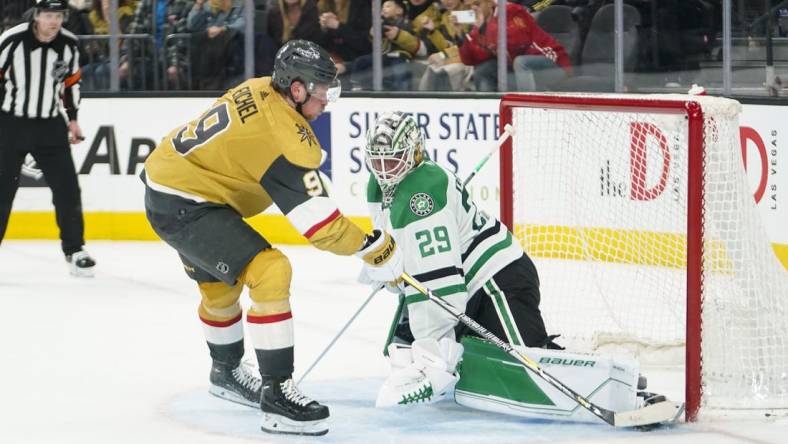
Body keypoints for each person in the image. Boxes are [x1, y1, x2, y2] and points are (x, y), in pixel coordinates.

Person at [141, 40, 402, 436]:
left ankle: (225, 373)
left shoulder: (262, 87)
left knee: (219, 288)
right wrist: (374, 248)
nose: (327, 102)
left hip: (174, 185)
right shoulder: (284, 139)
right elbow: (323, 230)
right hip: (188, 203)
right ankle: (277, 395)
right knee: (271, 271)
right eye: (321, 92)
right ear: (295, 90)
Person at [361, 112, 663, 420]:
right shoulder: (378, 186)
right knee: (417, 348)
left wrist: (433, 352)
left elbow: (438, 281)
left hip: (496, 278)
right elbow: (401, 256)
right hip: (466, 281)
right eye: (378, 161)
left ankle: (623, 387)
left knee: (529, 361)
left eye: (394, 159)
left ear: (414, 151)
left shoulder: (422, 194)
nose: (385, 170)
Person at [0, 0, 96, 278]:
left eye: (58, 16)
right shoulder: (12, 40)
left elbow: (71, 82)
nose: (53, 21)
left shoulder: (68, 43)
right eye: (48, 15)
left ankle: (75, 250)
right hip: (10, 124)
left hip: (50, 126)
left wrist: (74, 119)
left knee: (68, 190)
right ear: (37, 16)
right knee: (3, 193)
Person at [458, 0, 571, 91]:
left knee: (521, 62)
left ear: (490, 2)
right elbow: (471, 59)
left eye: (477, 4)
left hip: (555, 65)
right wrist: (459, 37)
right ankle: (491, 110)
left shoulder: (511, 10)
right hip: (520, 70)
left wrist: (484, 28)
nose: (474, 9)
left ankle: (525, 110)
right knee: (484, 70)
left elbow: (518, 41)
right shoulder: (480, 26)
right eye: (469, 6)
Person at [186, 0, 246, 89]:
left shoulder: (242, 4)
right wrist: (199, 4)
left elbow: (244, 24)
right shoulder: (209, 4)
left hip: (234, 54)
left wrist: (223, 29)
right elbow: (191, 25)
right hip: (210, 57)